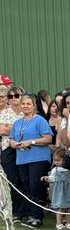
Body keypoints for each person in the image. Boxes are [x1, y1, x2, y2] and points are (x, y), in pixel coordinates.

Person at [8, 93, 53, 227]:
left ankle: (37, 217)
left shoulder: (39, 120)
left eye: (28, 104)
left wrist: (31, 141)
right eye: (23, 104)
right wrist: (13, 143)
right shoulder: (17, 122)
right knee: (26, 187)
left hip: (38, 158)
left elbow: (48, 138)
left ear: (34, 106)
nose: (25, 106)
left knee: (35, 186)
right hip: (22, 158)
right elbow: (10, 139)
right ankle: (31, 214)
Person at [0, 87, 24, 220]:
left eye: (17, 95)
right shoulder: (4, 113)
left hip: (25, 149)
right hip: (8, 149)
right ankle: (17, 211)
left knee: (24, 179)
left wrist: (10, 128)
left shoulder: (27, 110)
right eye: (11, 96)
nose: (14, 98)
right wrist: (18, 129)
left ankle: (28, 209)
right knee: (12, 179)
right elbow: (2, 130)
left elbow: (8, 129)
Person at [45, 145, 70, 229]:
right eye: (55, 160)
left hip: (69, 190)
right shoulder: (55, 170)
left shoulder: (69, 169)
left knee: (69, 207)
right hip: (59, 191)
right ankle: (59, 223)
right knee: (60, 207)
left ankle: (68, 223)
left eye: (58, 160)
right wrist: (47, 178)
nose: (56, 162)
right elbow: (52, 179)